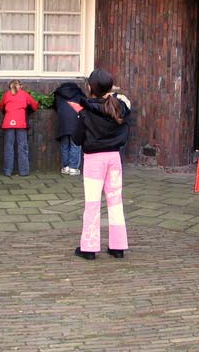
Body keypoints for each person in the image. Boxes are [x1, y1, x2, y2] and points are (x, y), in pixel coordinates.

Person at [72, 69, 130, 260]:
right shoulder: (119, 107)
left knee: (92, 203)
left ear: (90, 88)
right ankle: (118, 246)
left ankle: (89, 248)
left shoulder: (85, 111)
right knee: (115, 202)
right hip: (114, 158)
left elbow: (77, 139)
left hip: (94, 160)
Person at [0, 79, 39, 177]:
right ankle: (24, 171)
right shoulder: (24, 94)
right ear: (20, 86)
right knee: (22, 147)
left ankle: (8, 171)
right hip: (21, 123)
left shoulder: (6, 95)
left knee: (9, 147)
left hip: (8, 123)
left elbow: (0, 106)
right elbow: (34, 105)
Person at [53, 81, 86, 176]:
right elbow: (85, 106)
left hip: (63, 123)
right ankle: (73, 168)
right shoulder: (79, 95)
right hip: (76, 123)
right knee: (75, 145)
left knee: (64, 145)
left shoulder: (58, 95)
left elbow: (55, 106)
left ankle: (65, 166)